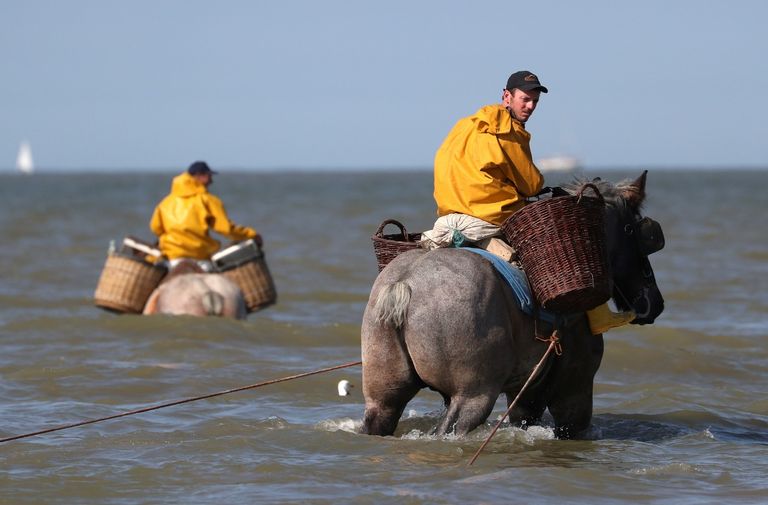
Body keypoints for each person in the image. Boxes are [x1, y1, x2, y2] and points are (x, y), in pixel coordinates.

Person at [431, 70, 633, 334]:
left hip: (449, 215)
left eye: (534, 102)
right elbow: (531, 184)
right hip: (489, 215)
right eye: (524, 99)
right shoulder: (507, 129)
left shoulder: (465, 125)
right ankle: (598, 318)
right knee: (565, 254)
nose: (529, 107)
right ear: (507, 96)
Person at [149, 161, 261, 271]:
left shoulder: (165, 202)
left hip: (172, 259)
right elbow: (225, 229)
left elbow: (156, 228)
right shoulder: (207, 200)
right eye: (209, 176)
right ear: (199, 176)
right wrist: (251, 235)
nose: (211, 181)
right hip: (201, 259)